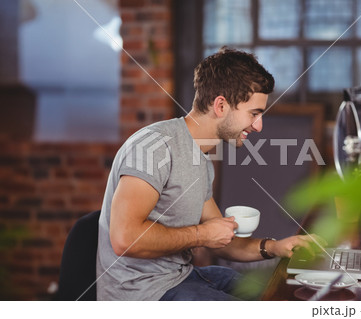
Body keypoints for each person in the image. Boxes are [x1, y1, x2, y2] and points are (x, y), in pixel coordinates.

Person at [96, 47, 325, 301]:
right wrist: (202, 235)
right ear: (221, 105)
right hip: (143, 294)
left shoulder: (201, 159)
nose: (259, 126)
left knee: (280, 295)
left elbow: (221, 237)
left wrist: (275, 247)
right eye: (254, 114)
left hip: (182, 277)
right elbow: (124, 238)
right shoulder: (154, 146)